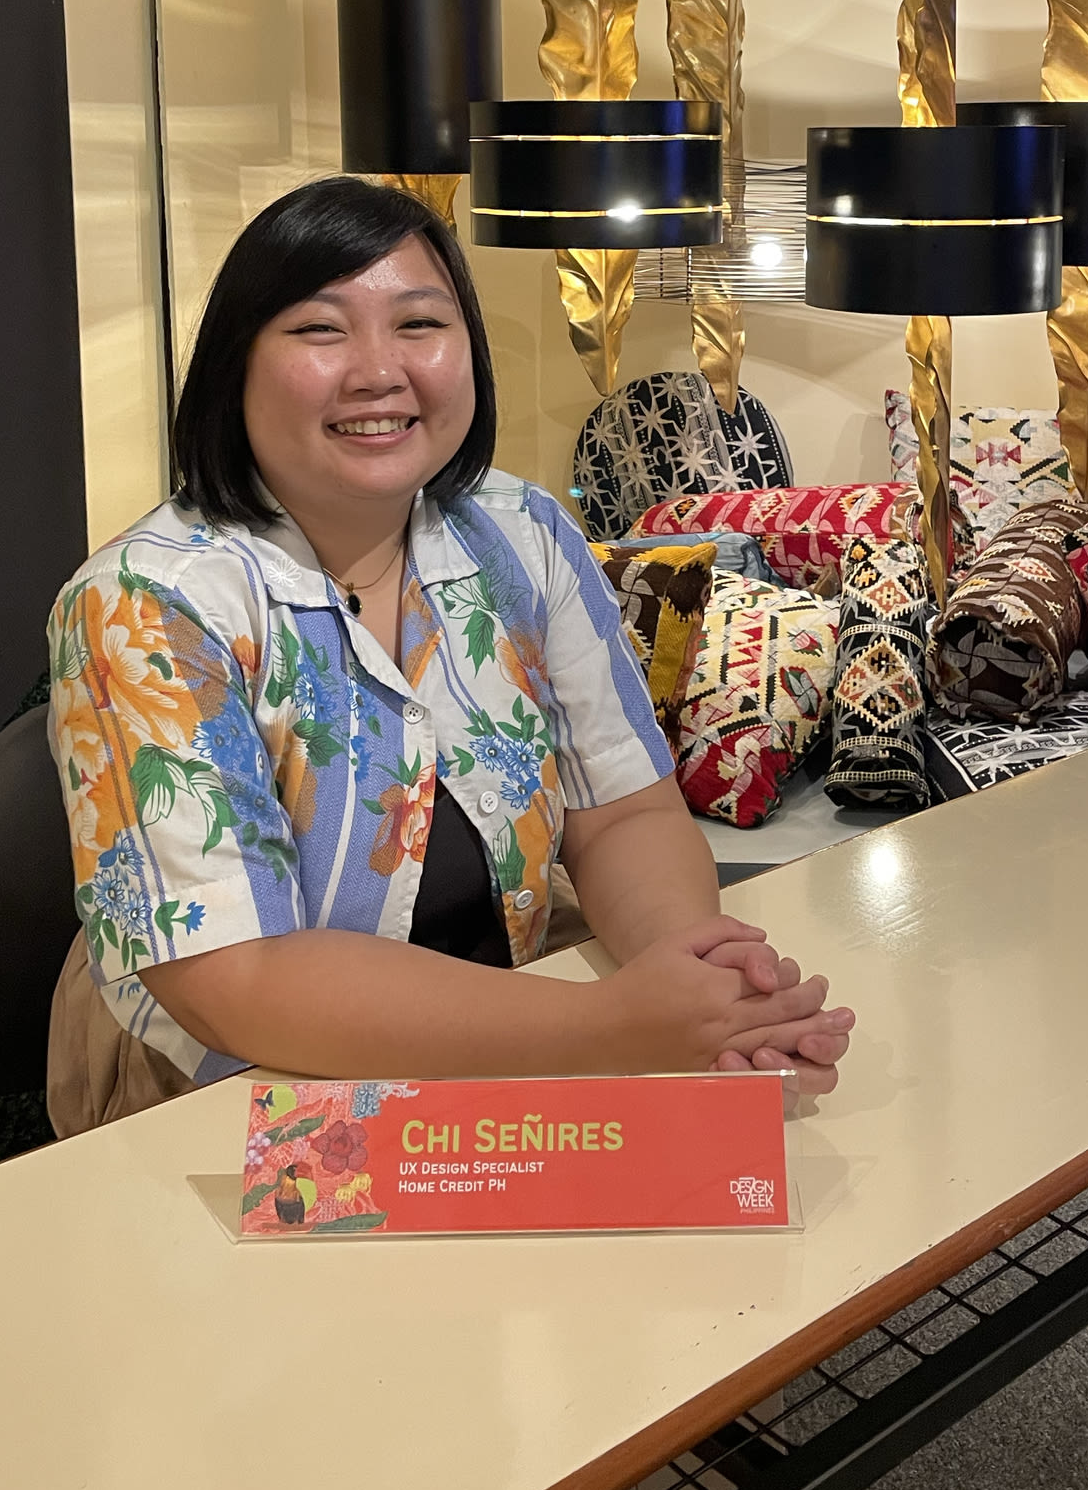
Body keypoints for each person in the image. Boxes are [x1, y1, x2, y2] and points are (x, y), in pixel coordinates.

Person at [44, 176, 853, 1132]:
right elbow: (239, 981)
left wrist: (702, 990)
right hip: (232, 1083)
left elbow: (623, 813)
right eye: (319, 330)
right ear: (236, 365)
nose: (378, 371)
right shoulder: (145, 603)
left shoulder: (522, 533)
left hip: (513, 1006)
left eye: (419, 324)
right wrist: (611, 1024)